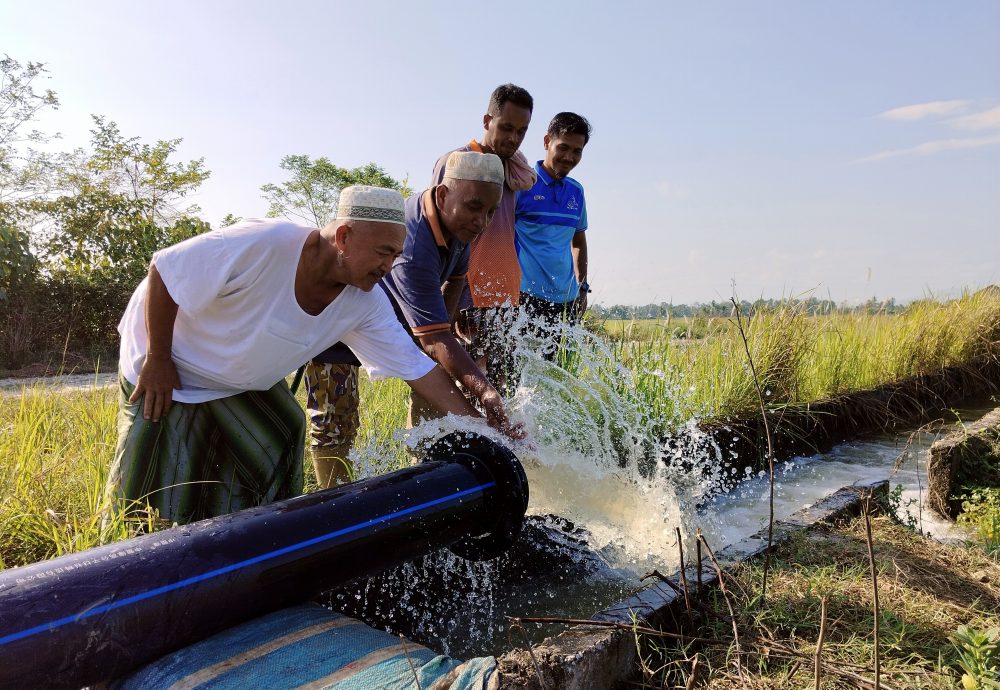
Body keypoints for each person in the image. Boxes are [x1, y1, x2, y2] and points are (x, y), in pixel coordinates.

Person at [105, 186, 507, 525]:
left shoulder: (364, 300)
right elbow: (166, 270)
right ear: (344, 236)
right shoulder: (266, 244)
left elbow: (419, 368)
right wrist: (158, 358)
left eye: (395, 255)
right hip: (167, 365)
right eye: (382, 252)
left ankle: (255, 534)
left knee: (281, 430)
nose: (388, 267)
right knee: (156, 478)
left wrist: (481, 426)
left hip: (235, 380)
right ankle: (131, 554)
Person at [383, 151, 517, 431]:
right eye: (474, 207)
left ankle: (431, 455)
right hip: (338, 320)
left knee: (438, 372)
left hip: (394, 321)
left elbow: (455, 284)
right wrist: (486, 391)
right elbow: (433, 340)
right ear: (443, 196)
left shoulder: (459, 227)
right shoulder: (414, 242)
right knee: (335, 420)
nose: (482, 222)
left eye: (491, 212)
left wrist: (446, 338)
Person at [431, 84, 535, 396]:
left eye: (521, 131)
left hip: (505, 297)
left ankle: (497, 447)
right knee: (469, 387)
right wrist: (453, 300)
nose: (513, 138)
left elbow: (525, 181)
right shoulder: (457, 163)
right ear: (487, 120)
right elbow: (437, 235)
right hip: (468, 294)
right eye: (506, 127)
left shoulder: (513, 169)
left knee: (503, 388)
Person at [515, 112, 592, 358]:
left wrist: (582, 287)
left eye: (577, 151)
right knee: (518, 376)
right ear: (547, 141)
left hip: (566, 302)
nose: (569, 157)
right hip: (524, 298)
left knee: (558, 377)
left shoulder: (576, 192)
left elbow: (578, 240)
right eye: (563, 147)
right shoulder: (522, 184)